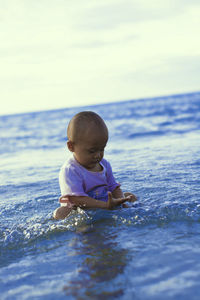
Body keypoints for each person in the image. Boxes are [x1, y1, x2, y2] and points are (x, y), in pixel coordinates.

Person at [53, 111, 137, 220]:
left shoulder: (104, 164)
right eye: (92, 151)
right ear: (71, 146)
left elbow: (114, 187)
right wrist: (105, 206)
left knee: (130, 196)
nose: (98, 155)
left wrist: (120, 201)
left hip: (104, 203)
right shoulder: (70, 170)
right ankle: (84, 228)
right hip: (81, 210)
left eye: (102, 149)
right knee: (60, 213)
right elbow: (78, 200)